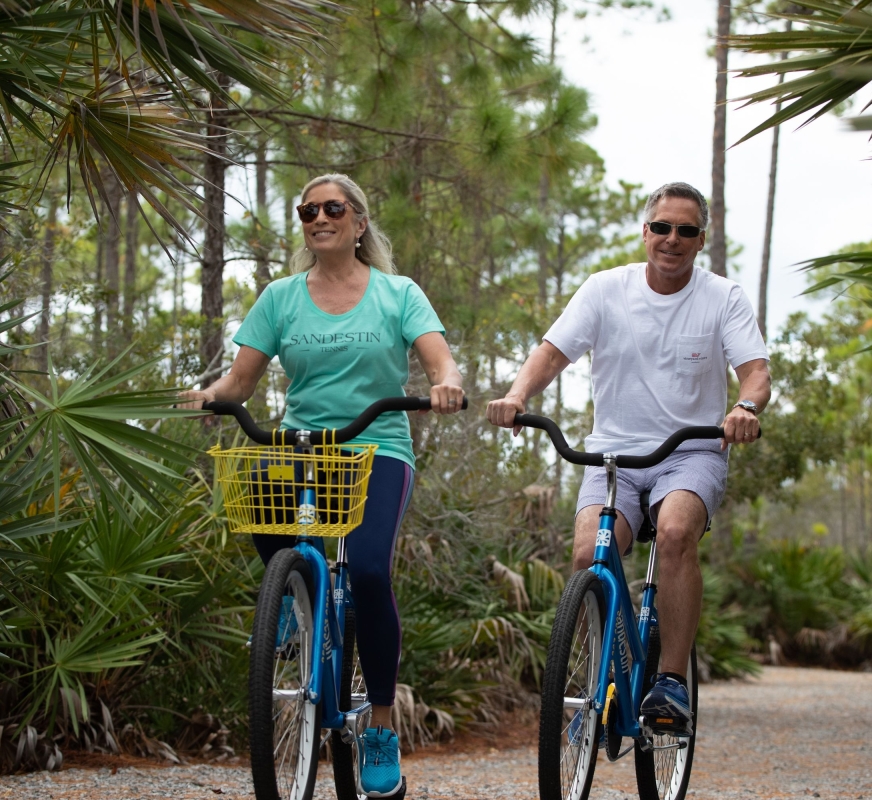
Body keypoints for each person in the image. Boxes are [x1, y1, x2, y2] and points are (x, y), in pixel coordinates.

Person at [181, 173, 464, 797]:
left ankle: (382, 726)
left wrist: (444, 380)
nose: (318, 217)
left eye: (332, 208)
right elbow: (240, 383)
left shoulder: (397, 293)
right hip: (304, 445)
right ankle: (293, 600)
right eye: (307, 210)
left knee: (365, 572)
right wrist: (210, 397)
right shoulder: (281, 297)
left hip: (376, 448)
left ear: (359, 223)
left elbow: (438, 357)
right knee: (256, 495)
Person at [486, 181, 770, 734]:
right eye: (661, 227)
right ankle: (603, 680)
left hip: (689, 453)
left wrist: (744, 407)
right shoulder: (604, 290)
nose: (672, 239)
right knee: (586, 552)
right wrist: (517, 397)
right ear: (645, 232)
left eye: (685, 230)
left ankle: (670, 683)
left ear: (700, 239)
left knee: (675, 531)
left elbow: (755, 371)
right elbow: (551, 353)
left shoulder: (723, 298)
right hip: (613, 455)